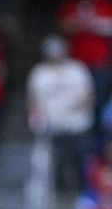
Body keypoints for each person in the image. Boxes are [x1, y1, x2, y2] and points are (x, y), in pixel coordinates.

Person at [26, 34, 95, 193]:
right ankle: (60, 192)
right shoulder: (39, 72)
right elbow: (33, 99)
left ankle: (83, 190)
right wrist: (36, 118)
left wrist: (73, 110)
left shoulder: (77, 69)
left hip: (77, 124)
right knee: (56, 161)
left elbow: (88, 94)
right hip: (53, 125)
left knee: (80, 159)